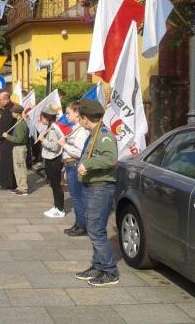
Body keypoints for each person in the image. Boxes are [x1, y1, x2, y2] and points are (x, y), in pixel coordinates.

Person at [75, 99, 119, 287]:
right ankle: (98, 265)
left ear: (86, 118)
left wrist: (88, 164)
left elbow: (111, 159)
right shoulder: (93, 134)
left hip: (100, 188)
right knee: (94, 230)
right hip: (92, 187)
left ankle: (110, 271)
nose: (78, 121)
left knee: (96, 231)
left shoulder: (103, 135)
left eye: (79, 117)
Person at [58, 101, 89, 236]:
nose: (66, 115)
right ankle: (78, 223)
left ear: (77, 113)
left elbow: (81, 151)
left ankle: (82, 225)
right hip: (69, 165)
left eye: (68, 112)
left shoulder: (81, 131)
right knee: (76, 196)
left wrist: (64, 145)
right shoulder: (75, 128)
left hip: (74, 164)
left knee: (77, 197)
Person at [39, 105, 65, 218]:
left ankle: (60, 209)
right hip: (50, 159)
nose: (41, 120)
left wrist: (43, 140)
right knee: (53, 184)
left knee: (56, 185)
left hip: (54, 160)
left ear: (46, 117)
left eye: (42, 117)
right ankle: (56, 206)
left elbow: (55, 147)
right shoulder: (50, 127)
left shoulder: (54, 129)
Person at [2, 104, 29, 196]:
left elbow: (19, 139)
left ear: (17, 113)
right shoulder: (19, 122)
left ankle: (23, 188)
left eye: (13, 112)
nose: (12, 113)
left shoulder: (20, 124)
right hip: (17, 148)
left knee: (20, 168)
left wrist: (7, 136)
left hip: (19, 148)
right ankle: (19, 186)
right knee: (17, 168)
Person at [0, 91, 17, 190]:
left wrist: (0, 138)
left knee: (7, 162)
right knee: (7, 161)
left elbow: (5, 126)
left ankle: (9, 182)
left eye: (0, 100)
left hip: (7, 140)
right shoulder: (8, 108)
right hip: (7, 140)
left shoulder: (9, 110)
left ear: (6, 99)